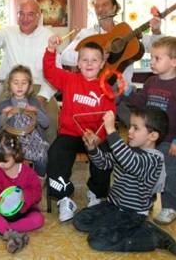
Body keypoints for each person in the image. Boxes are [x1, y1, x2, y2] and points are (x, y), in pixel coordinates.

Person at [74, 108, 176, 256]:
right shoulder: (127, 151)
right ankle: (117, 226)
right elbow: (103, 163)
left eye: (135, 128)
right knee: (80, 221)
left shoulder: (154, 159)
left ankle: (152, 237)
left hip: (132, 214)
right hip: (113, 206)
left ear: (153, 135)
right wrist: (92, 148)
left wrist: (111, 131)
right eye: (130, 126)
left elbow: (130, 162)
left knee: (98, 240)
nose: (129, 131)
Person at [119, 36, 176, 225]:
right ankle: (145, 200)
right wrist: (128, 93)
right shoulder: (151, 82)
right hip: (148, 139)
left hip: (169, 141)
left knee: (170, 174)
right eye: (152, 57)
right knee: (146, 171)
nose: (152, 62)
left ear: (175, 61)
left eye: (157, 58)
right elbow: (141, 103)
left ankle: (171, 207)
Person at [43, 37, 116, 222]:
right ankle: (64, 198)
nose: (89, 63)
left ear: (101, 64)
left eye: (94, 60)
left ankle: (96, 194)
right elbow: (49, 72)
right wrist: (51, 51)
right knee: (55, 153)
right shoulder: (69, 79)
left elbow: (109, 117)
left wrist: (98, 138)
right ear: (78, 63)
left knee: (105, 156)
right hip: (69, 135)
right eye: (85, 59)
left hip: (94, 138)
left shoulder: (106, 89)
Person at [0, 0, 59, 144]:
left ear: (38, 16)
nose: (25, 18)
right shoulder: (8, 32)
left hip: (40, 87)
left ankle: (46, 159)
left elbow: (56, 73)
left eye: (30, 14)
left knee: (52, 119)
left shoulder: (49, 36)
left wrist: (42, 96)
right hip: (9, 86)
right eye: (21, 13)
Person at [58, 0, 162, 83]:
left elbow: (156, 49)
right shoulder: (86, 34)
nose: (100, 9)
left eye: (105, 5)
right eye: (96, 6)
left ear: (114, 7)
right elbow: (64, 57)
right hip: (94, 91)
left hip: (123, 94)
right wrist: (94, 56)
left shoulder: (126, 32)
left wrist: (156, 31)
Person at [0, 65, 50, 177]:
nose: (20, 86)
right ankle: (12, 181)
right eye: (16, 82)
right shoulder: (4, 104)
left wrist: (36, 111)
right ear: (9, 84)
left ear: (29, 86)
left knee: (43, 154)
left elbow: (46, 124)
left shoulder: (34, 102)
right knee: (7, 154)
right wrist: (6, 115)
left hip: (34, 140)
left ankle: (39, 181)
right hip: (12, 141)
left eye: (24, 83)